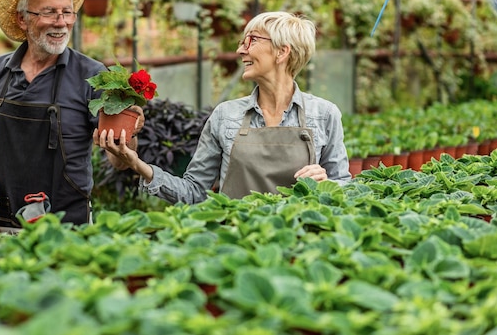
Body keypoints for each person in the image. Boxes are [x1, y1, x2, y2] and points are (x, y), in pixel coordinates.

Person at [96, 11, 351, 204]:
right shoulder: (226, 115)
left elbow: (346, 190)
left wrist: (327, 184)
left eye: (251, 40)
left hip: (302, 243)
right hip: (236, 244)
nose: (241, 49)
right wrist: (136, 163)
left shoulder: (325, 114)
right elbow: (195, 192)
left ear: (282, 52)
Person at [0, 0, 142, 227]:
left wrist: (126, 140)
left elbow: (119, 162)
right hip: (0, 221)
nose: (61, 23)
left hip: (68, 228)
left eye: (68, 12)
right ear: (22, 19)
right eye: (49, 12)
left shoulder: (94, 75)